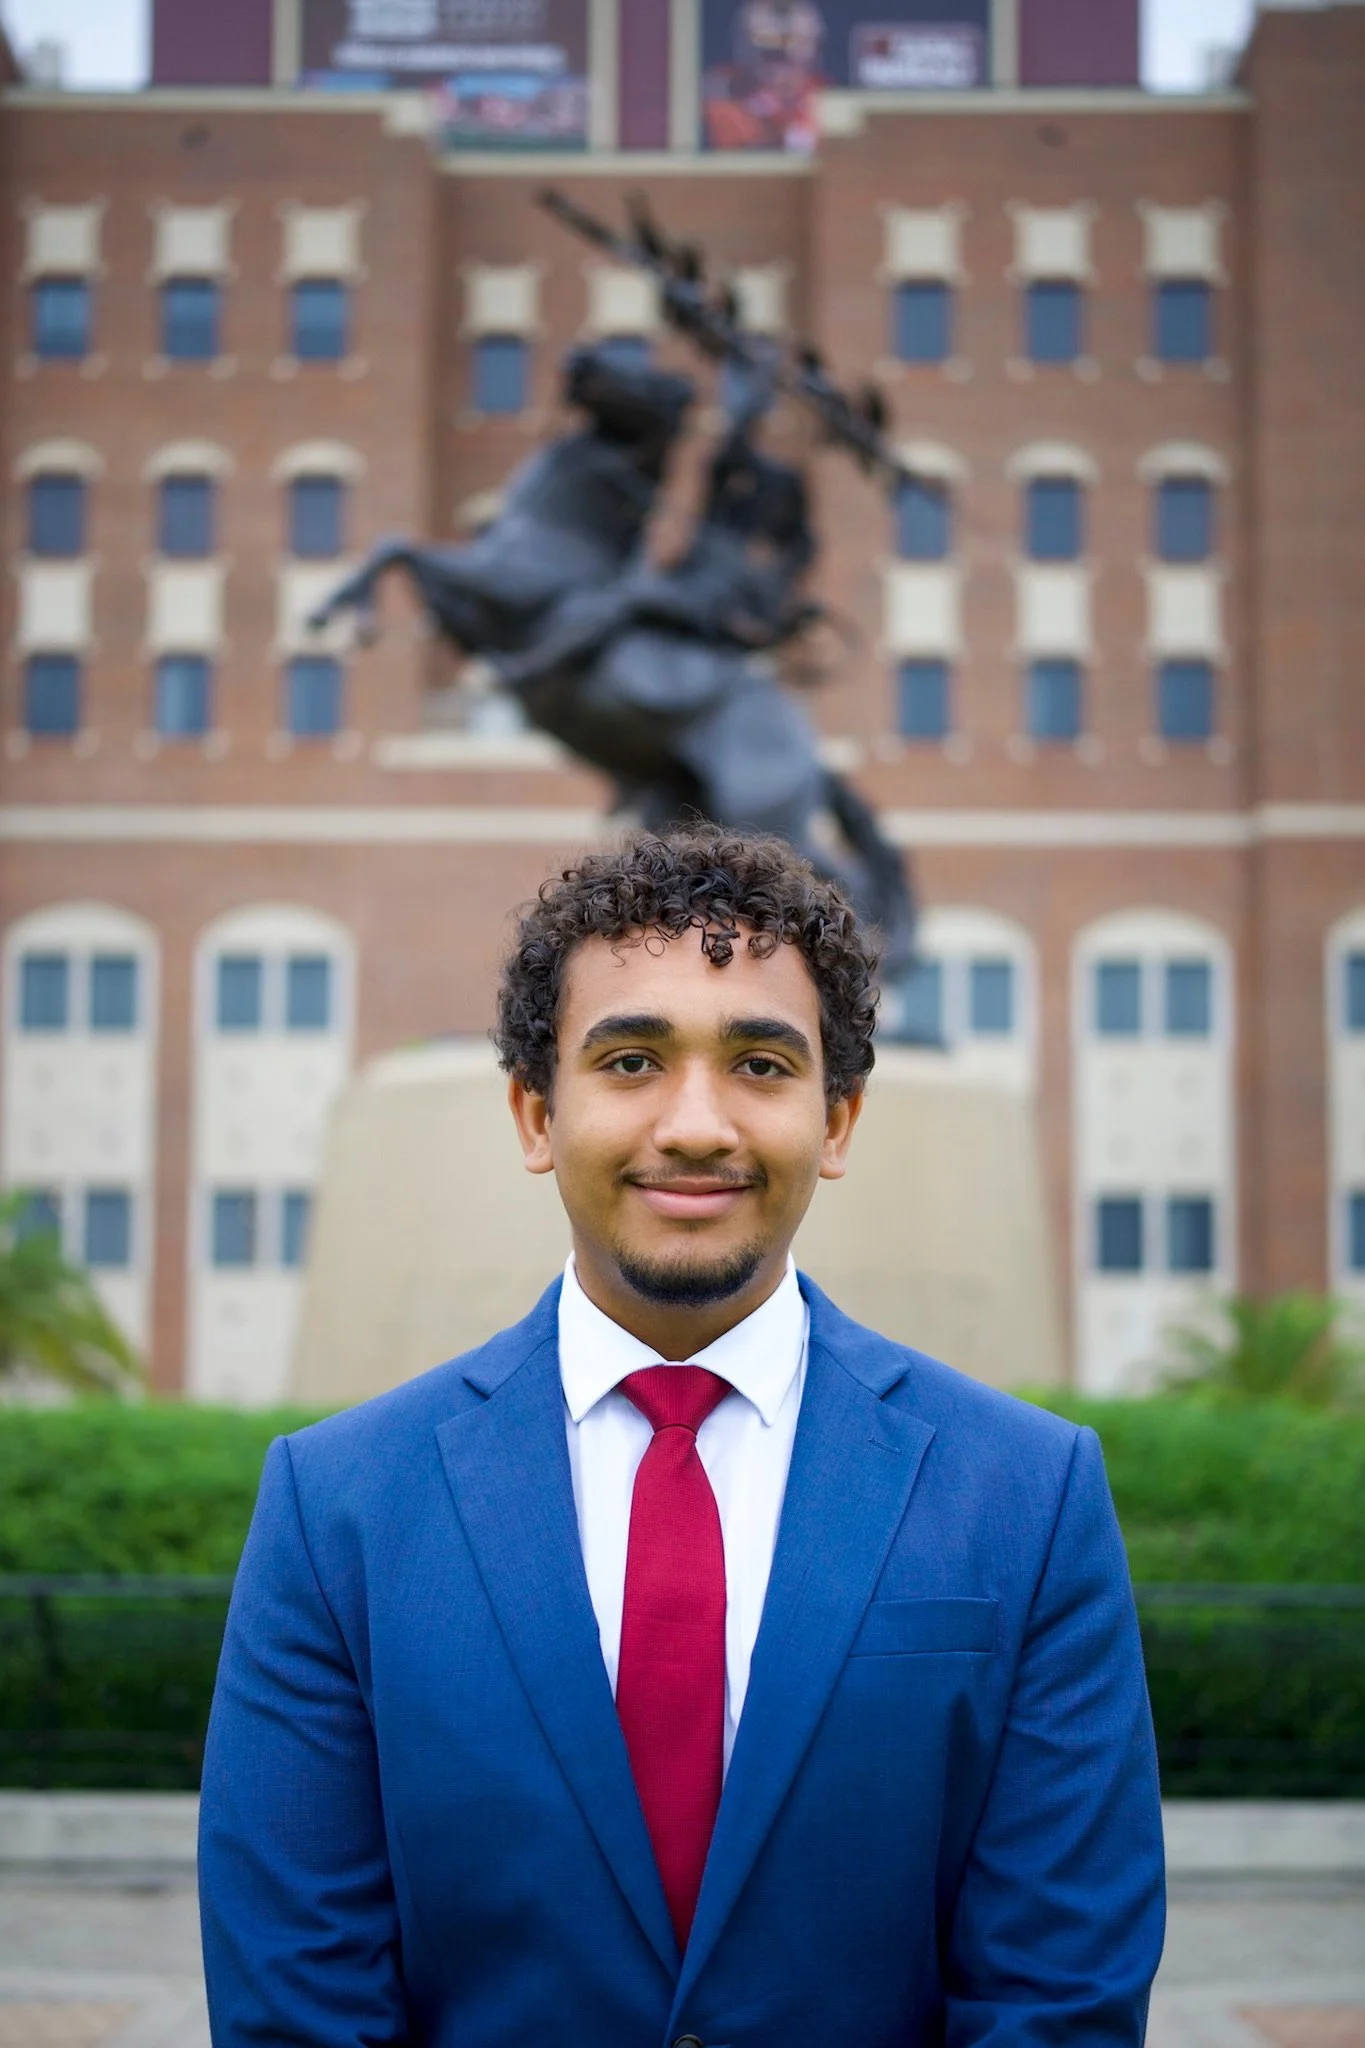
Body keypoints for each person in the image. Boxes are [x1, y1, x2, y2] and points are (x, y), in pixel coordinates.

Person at [199, 825, 1165, 2048]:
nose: (697, 1122)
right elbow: (297, 2009)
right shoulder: (336, 1507)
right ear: (536, 1112)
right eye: (633, 1059)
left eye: (761, 1063)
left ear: (839, 1119)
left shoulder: (1028, 1498)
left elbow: (1059, 2004)